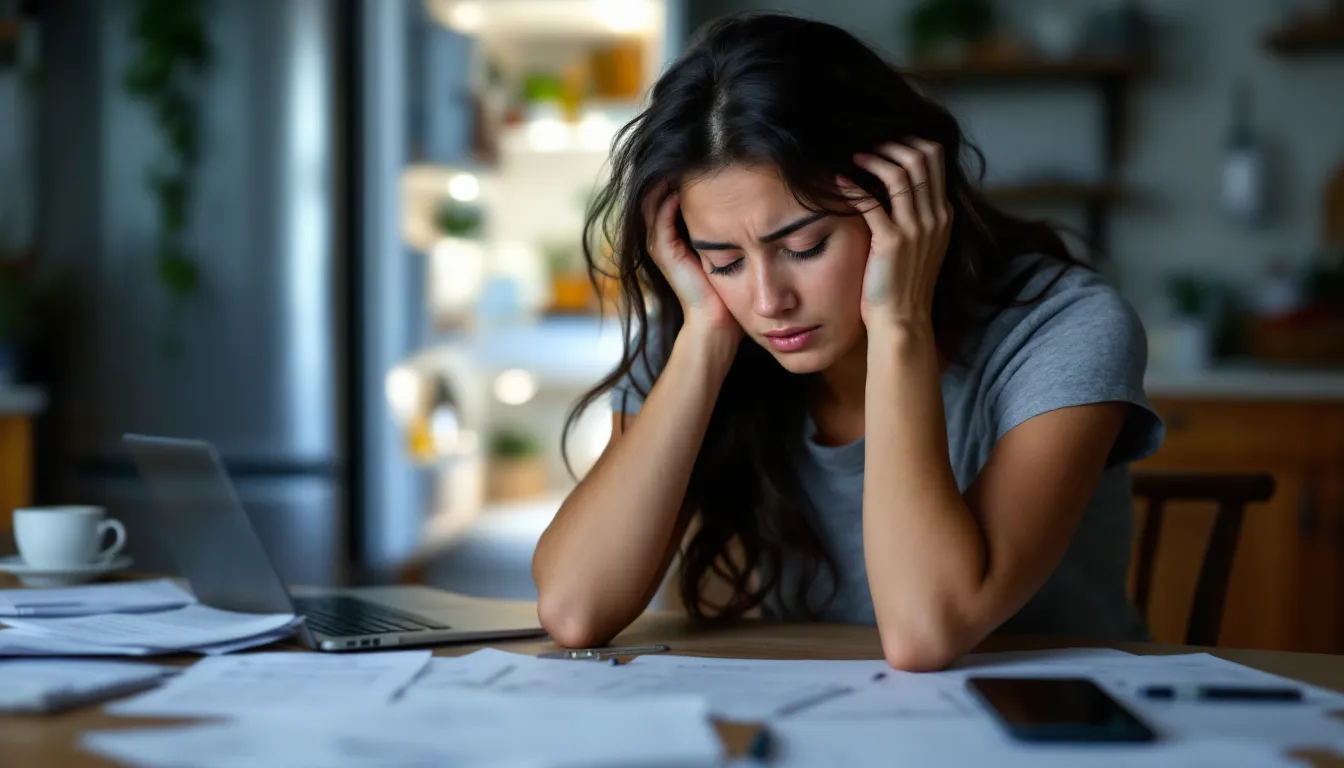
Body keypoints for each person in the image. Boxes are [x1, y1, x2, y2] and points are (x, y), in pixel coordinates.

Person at [531, 12, 1164, 671]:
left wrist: (900, 323)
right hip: (819, 716)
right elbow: (576, 608)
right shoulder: (710, 320)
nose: (769, 301)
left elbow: (925, 634)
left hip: (1051, 722)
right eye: (724, 260)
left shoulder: (1064, 327)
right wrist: (704, 341)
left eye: (804, 246)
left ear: (901, 201)